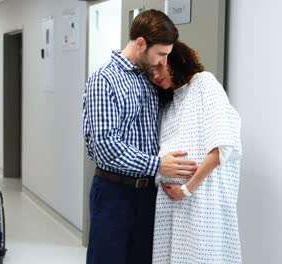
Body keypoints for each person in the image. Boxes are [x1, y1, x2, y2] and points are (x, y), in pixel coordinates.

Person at [83, 9, 198, 264]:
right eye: (161, 54)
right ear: (140, 43)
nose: (163, 63)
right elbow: (105, 146)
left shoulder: (150, 79)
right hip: (114, 193)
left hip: (149, 195)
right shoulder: (104, 80)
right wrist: (158, 164)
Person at [149, 41, 242, 263]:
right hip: (173, 208)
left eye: (159, 66)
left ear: (176, 60)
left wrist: (187, 189)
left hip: (202, 203)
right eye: (150, 71)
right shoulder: (170, 104)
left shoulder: (204, 83)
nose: (155, 75)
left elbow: (221, 147)